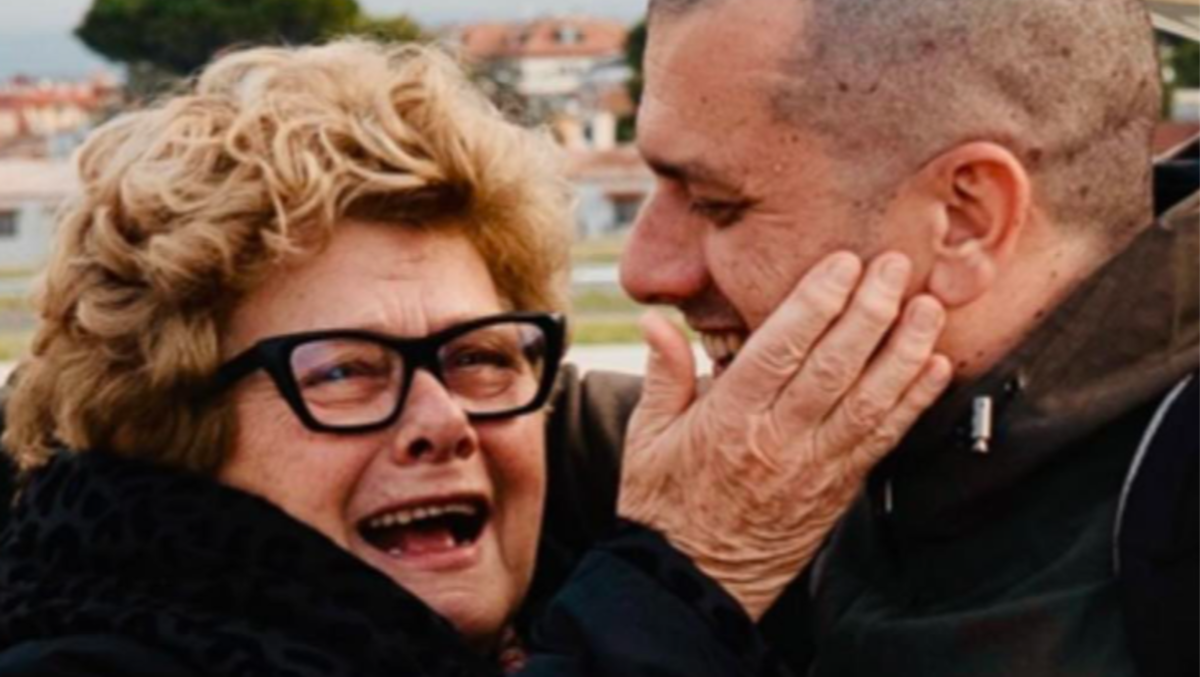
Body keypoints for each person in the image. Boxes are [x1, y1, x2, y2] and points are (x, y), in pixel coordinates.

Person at [0, 39, 947, 676]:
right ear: (171, 427)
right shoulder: (80, 651)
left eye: (481, 356)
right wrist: (683, 584)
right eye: (345, 371)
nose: (443, 422)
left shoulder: (562, 577)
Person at [540, 0, 1200, 675]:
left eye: (717, 205)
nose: (644, 270)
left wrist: (679, 583)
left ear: (965, 220)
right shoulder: (828, 433)